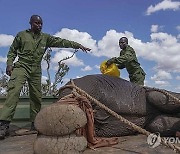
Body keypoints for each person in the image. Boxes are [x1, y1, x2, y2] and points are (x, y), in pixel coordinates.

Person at [0, 15, 91, 139]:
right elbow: (12, 51)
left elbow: (62, 41)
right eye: (36, 23)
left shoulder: (45, 38)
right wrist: (9, 64)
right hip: (22, 66)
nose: (39, 25)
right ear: (31, 23)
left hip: (36, 69)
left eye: (41, 23)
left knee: (36, 96)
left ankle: (35, 124)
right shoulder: (21, 35)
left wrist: (78, 45)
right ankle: (4, 125)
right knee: (14, 92)